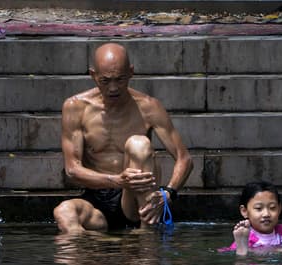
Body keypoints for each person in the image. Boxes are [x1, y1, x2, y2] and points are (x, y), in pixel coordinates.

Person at [53, 43, 193, 234]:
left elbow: (184, 159)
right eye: (105, 81)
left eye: (120, 79)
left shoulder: (149, 107)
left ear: (131, 73)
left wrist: (169, 193)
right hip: (97, 198)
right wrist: (117, 180)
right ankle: (96, 250)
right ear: (93, 75)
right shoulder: (76, 107)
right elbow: (72, 169)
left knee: (139, 144)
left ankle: (146, 237)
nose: (113, 88)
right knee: (63, 213)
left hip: (135, 200)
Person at [224, 181, 282, 256]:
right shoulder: (245, 236)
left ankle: (243, 253)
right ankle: (242, 251)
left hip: (274, 264)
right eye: (259, 208)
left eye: (272, 208)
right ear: (244, 211)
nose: (266, 214)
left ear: (279, 209)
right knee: (242, 260)